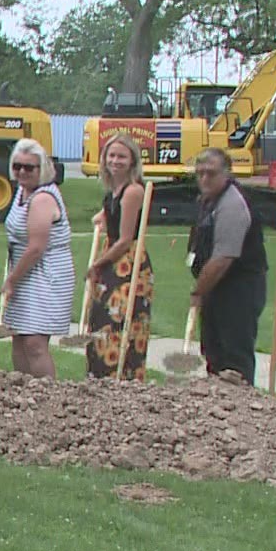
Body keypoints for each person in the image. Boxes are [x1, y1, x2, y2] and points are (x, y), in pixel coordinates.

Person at [189, 146, 269, 383]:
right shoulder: (207, 201)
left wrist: (198, 291)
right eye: (200, 172)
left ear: (227, 174)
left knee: (234, 356)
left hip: (238, 290)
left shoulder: (232, 205)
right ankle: (217, 405)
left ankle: (239, 408)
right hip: (217, 288)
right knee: (214, 351)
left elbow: (223, 258)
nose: (204, 178)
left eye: (211, 173)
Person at [1, 138, 74, 378]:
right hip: (25, 271)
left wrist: (11, 280)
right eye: (17, 166)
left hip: (46, 273)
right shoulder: (22, 192)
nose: (22, 172)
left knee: (34, 340)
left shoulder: (43, 198)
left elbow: (36, 248)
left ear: (41, 169)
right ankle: (24, 390)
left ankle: (46, 394)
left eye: (29, 167)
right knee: (19, 336)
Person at [85, 132, 155, 379]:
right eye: (111, 155)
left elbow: (125, 239)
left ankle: (122, 378)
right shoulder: (113, 191)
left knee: (119, 323)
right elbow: (111, 214)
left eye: (122, 156)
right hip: (112, 260)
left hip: (126, 264)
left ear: (132, 160)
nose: (115, 161)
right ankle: (100, 375)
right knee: (102, 320)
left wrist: (97, 264)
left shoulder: (133, 191)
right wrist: (102, 216)